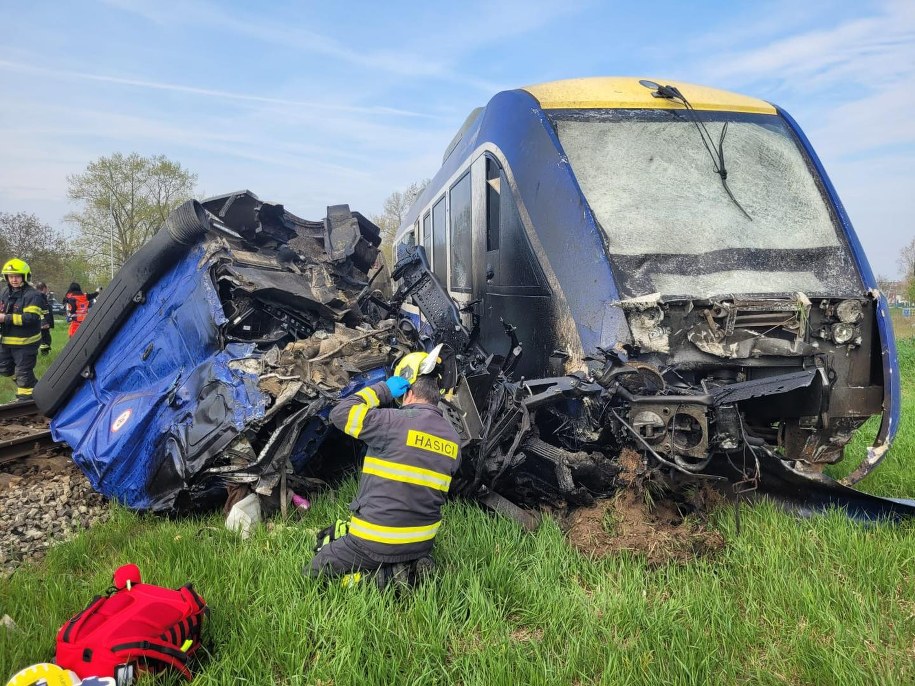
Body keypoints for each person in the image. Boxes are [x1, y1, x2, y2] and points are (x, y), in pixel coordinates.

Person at [308, 344, 461, 587]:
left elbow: (339, 413)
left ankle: (383, 579)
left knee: (316, 569)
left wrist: (382, 390)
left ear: (407, 390)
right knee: (334, 533)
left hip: (375, 539)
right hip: (422, 541)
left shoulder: (390, 421)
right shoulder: (453, 439)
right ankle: (409, 565)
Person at [0, 259, 44, 401]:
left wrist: (5, 318)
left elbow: (30, 318)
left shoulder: (33, 295)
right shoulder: (5, 291)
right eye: (10, 276)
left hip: (26, 343)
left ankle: (26, 403)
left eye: (17, 276)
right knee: (5, 369)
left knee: (23, 374)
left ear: (25, 277)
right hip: (6, 341)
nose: (14, 279)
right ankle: (39, 391)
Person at [33, 281, 54, 355]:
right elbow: (42, 310)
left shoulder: (36, 296)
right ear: (44, 288)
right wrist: (45, 322)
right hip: (42, 322)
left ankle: (43, 352)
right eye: (47, 288)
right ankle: (44, 353)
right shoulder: (40, 297)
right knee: (45, 339)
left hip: (40, 321)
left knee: (42, 338)